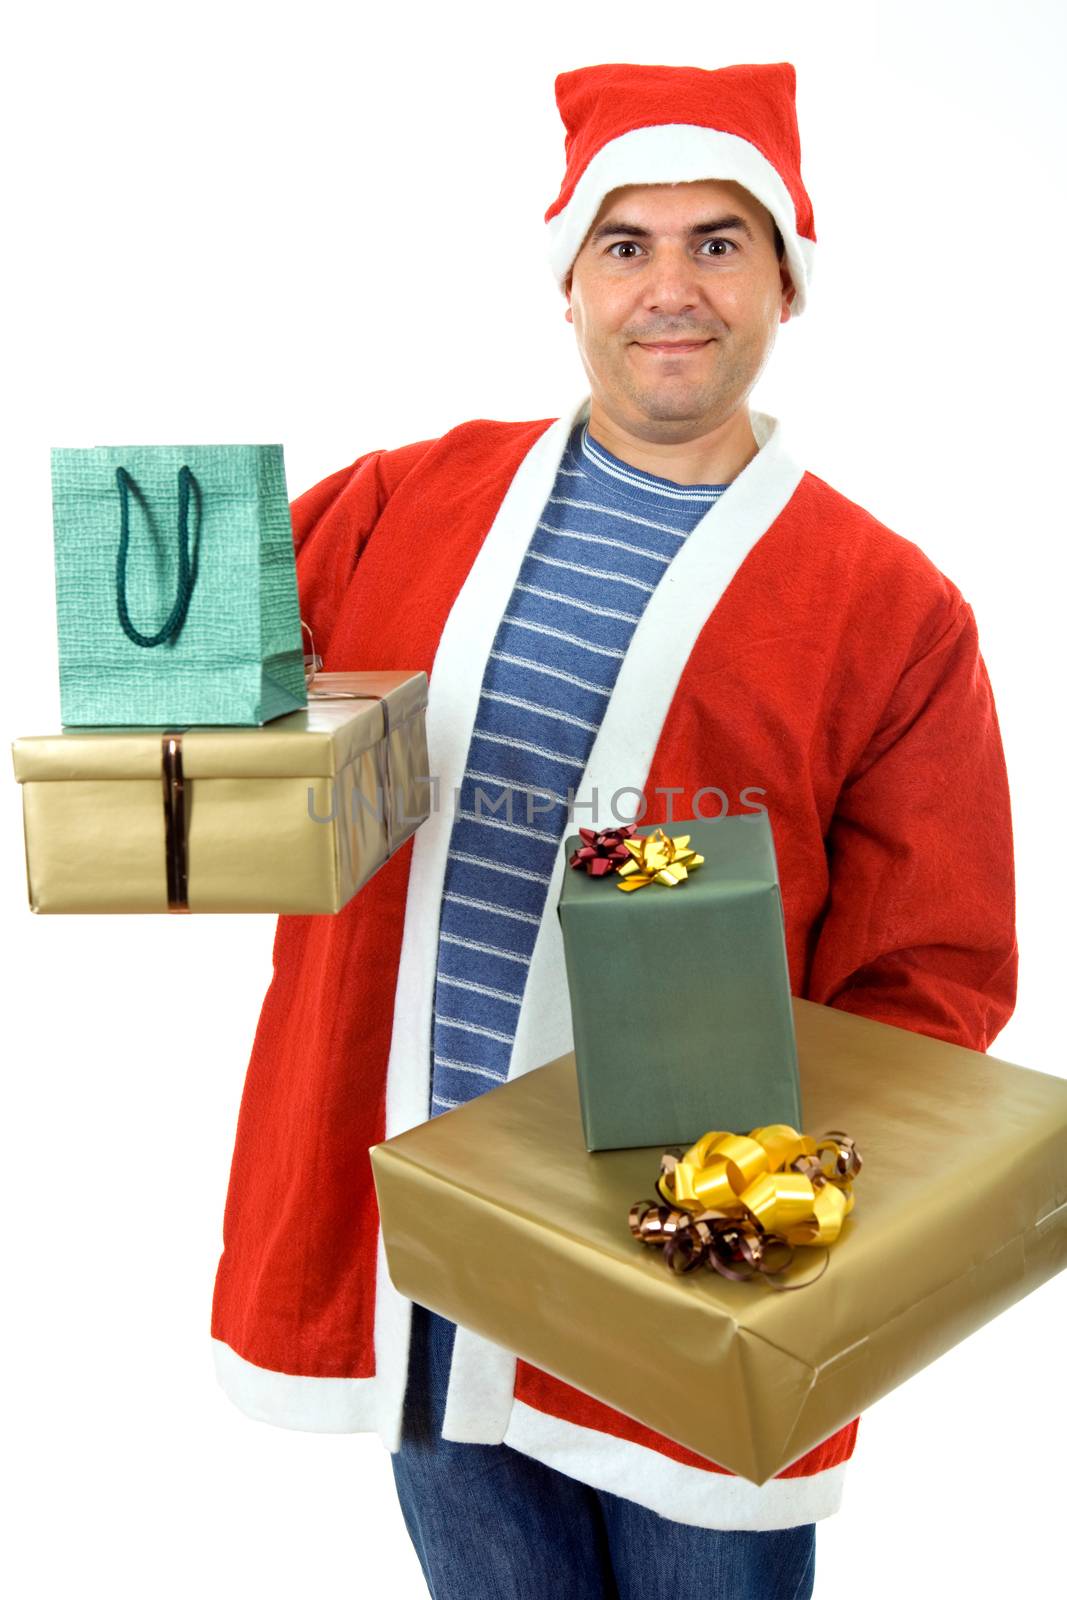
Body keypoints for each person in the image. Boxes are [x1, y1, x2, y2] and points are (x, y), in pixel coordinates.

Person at [210, 61, 1018, 1599]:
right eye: (626, 245)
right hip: (434, 1244)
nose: (673, 289)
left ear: (788, 281)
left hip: (694, 1271)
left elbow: (937, 977)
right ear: (568, 282)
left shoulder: (891, 611)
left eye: (720, 242)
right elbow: (188, 676)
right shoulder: (403, 502)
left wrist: (779, 1239)